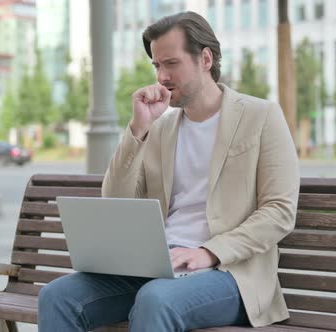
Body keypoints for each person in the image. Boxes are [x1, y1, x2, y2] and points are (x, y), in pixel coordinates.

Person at [38, 11, 299, 332]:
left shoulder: (261, 116)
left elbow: (279, 211)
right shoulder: (160, 129)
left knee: (156, 298)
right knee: (58, 296)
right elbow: (116, 199)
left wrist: (210, 252)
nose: (161, 76)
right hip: (159, 267)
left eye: (171, 63)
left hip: (231, 274)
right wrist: (138, 129)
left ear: (205, 58)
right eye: (157, 66)